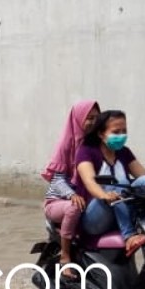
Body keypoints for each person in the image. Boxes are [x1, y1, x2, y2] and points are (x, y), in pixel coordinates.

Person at [73, 110, 145, 255]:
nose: (121, 135)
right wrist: (105, 195)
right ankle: (129, 235)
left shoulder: (124, 152)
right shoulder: (86, 151)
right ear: (100, 133)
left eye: (124, 131)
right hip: (94, 218)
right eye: (116, 132)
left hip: (120, 209)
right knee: (117, 183)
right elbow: (90, 182)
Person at [39, 100, 100, 279]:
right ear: (78, 118)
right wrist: (71, 194)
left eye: (96, 118)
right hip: (58, 201)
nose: (92, 122)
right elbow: (57, 179)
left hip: (85, 198)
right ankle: (65, 258)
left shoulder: (96, 144)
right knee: (74, 207)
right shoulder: (66, 144)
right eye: (88, 118)